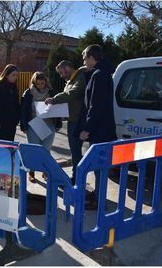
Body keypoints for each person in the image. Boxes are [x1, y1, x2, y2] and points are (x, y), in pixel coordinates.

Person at [78, 44, 117, 209]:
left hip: (100, 130)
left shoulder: (99, 75)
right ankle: (98, 197)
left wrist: (87, 128)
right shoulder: (103, 73)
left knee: (99, 167)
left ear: (91, 57)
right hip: (105, 129)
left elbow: (96, 105)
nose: (84, 61)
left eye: (84, 58)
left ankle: (100, 202)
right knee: (100, 167)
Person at [45, 60, 86, 185]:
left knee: (76, 152)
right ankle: (76, 177)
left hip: (77, 121)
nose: (62, 76)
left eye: (62, 72)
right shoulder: (72, 80)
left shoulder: (79, 78)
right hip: (72, 119)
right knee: (74, 152)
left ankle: (77, 179)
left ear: (68, 67)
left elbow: (72, 94)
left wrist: (54, 99)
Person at [20, 72, 59, 182]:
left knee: (46, 150)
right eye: (38, 84)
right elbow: (23, 110)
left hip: (49, 123)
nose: (40, 86)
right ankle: (31, 173)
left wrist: (58, 123)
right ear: (34, 83)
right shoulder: (28, 93)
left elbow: (57, 107)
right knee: (33, 150)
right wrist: (23, 126)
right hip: (34, 123)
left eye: (42, 83)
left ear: (46, 82)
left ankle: (45, 171)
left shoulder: (51, 92)